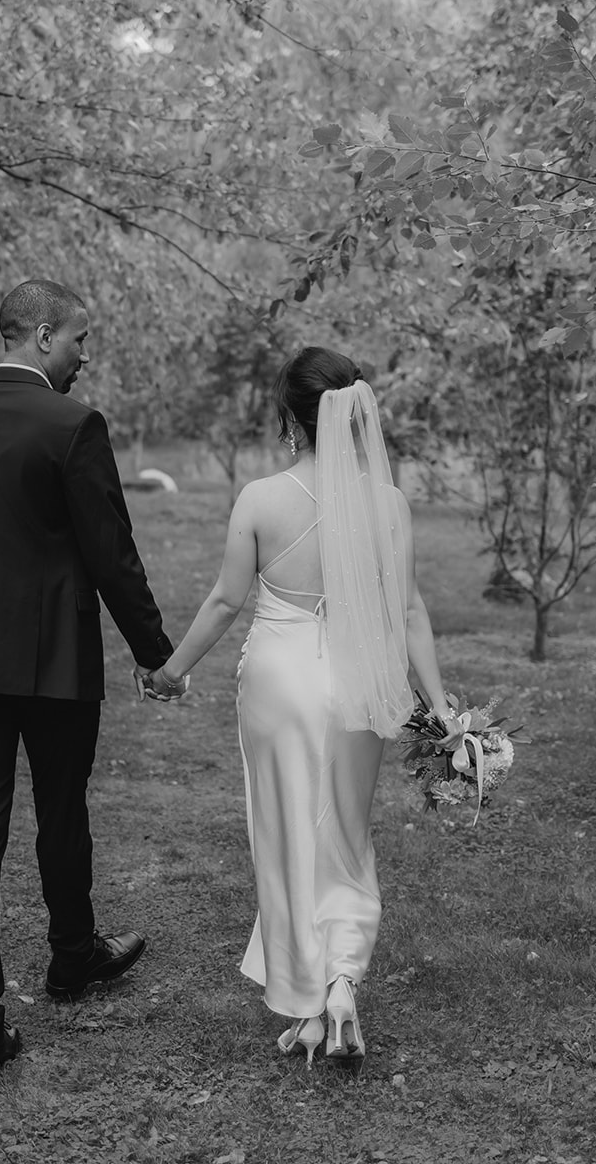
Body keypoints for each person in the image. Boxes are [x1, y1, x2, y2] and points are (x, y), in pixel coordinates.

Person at [0, 279, 175, 1087]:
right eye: (80, 340)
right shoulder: (72, 424)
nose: (85, 356)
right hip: (53, 659)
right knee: (61, 808)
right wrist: (153, 651)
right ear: (44, 334)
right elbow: (109, 555)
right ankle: (69, 959)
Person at [142, 346, 447, 1072]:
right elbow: (406, 611)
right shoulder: (388, 505)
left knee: (284, 837)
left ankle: (310, 999)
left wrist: (171, 672)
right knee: (343, 834)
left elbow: (224, 600)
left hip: (279, 681)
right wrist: (440, 707)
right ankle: (341, 982)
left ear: (290, 418)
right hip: (357, 682)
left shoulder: (259, 498)